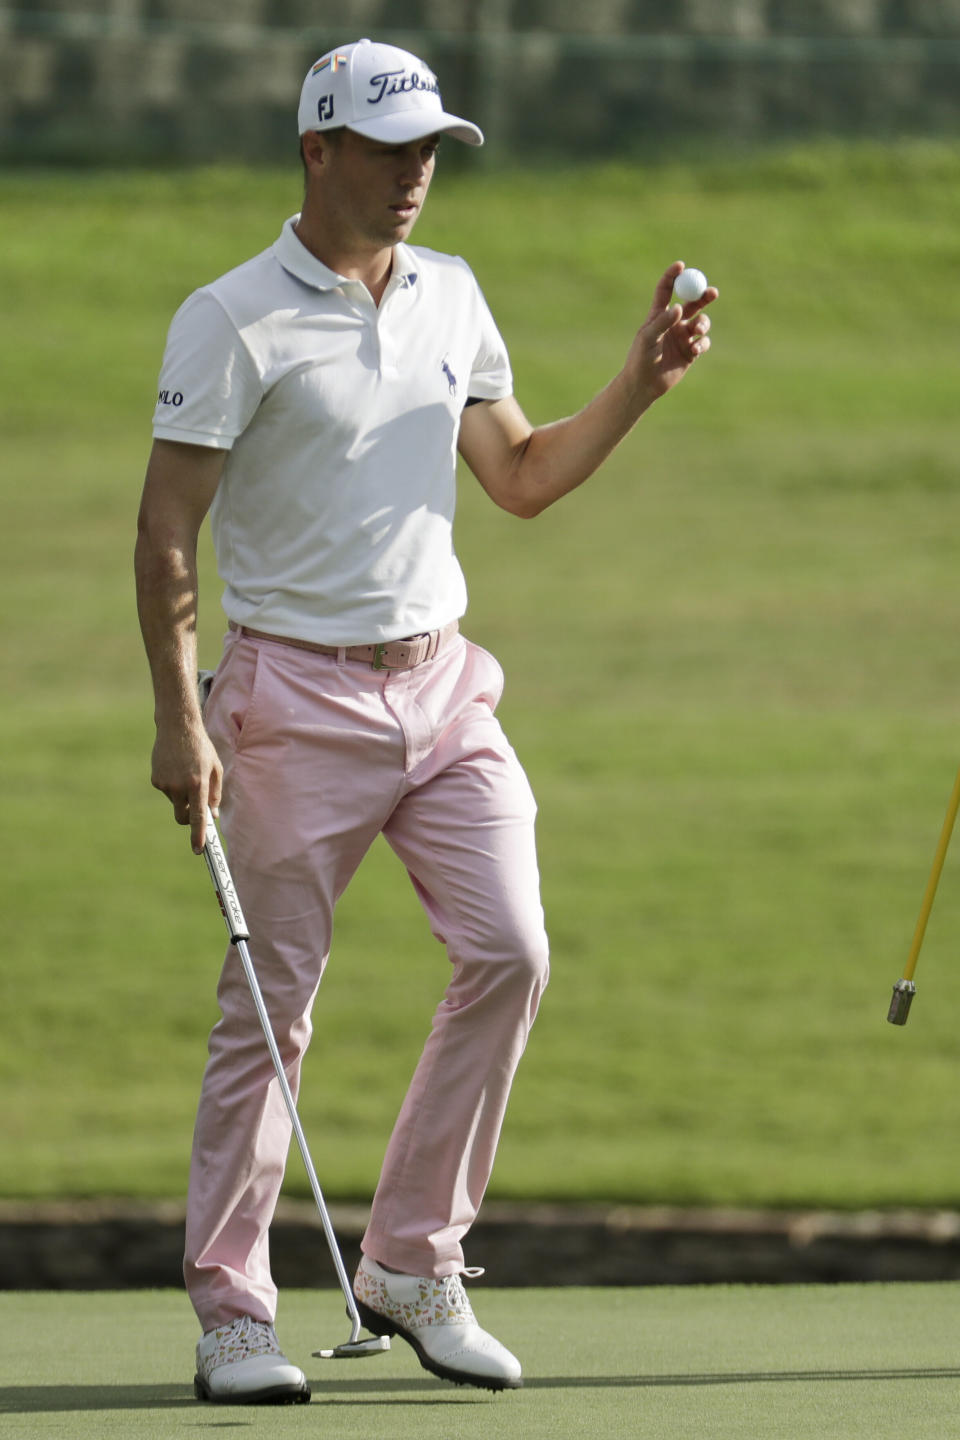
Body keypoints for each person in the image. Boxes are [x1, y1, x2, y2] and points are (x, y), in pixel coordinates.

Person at [134, 36, 716, 1406]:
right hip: (288, 694)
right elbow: (168, 529)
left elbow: (516, 475)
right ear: (317, 151)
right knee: (270, 1015)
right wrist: (182, 720)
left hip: (444, 685)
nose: (415, 179)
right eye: (391, 152)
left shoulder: (452, 295)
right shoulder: (229, 319)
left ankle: (411, 1261)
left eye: (432, 155)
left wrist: (639, 379)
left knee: (512, 947)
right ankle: (232, 1313)